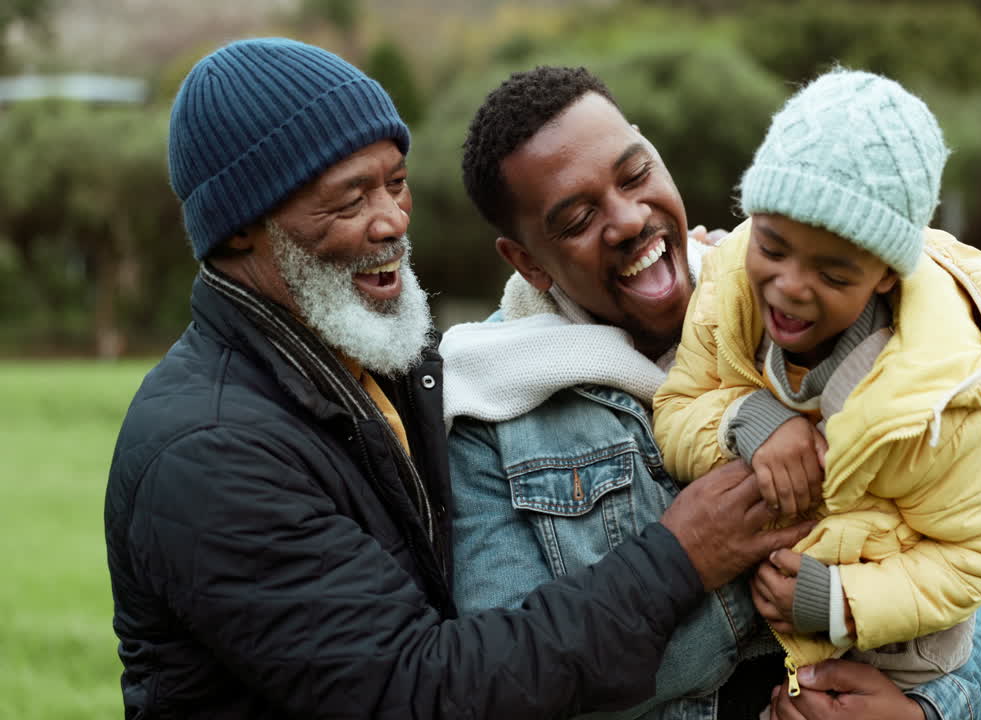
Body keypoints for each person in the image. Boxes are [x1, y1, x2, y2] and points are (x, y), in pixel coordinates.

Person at [103, 38, 809, 720]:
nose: (391, 223)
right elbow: (418, 691)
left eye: (397, 184)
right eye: (350, 200)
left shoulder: (396, 363)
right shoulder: (210, 450)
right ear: (239, 230)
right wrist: (679, 558)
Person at [444, 65, 981, 720]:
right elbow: (508, 683)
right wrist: (693, 564)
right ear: (527, 262)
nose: (629, 219)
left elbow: (969, 547)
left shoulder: (790, 302)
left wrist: (928, 709)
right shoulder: (488, 401)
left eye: (635, 175)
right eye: (577, 217)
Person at [652, 68, 981, 695]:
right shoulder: (725, 290)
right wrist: (749, 419)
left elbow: (978, 554)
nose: (791, 286)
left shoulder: (942, 396)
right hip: (758, 653)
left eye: (832, 275)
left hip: (897, 657)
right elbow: (679, 407)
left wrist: (842, 603)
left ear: (886, 275)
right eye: (772, 248)